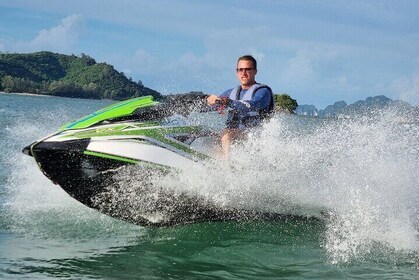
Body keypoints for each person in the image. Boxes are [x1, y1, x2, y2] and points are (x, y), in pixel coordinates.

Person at [207, 55, 274, 156]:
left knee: (227, 135)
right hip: (235, 136)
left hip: (254, 138)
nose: (244, 73)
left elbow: (252, 105)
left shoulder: (262, 92)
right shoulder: (231, 92)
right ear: (237, 72)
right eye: (240, 70)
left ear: (255, 71)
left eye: (248, 70)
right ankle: (213, 164)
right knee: (206, 135)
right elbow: (210, 107)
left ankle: (227, 169)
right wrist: (207, 100)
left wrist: (227, 102)